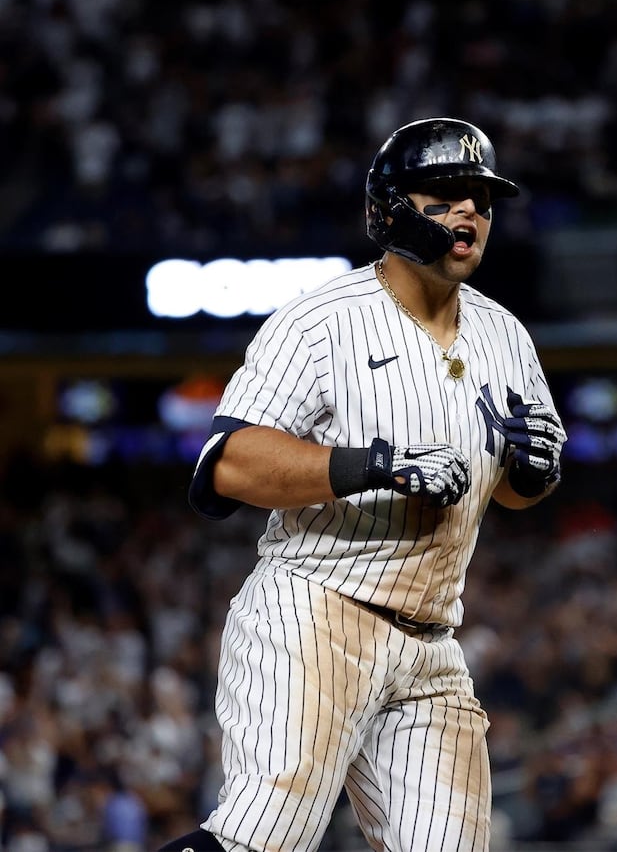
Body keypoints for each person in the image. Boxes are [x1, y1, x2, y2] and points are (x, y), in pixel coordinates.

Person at [157, 117, 567, 852]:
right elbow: (225, 465)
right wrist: (371, 464)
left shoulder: (506, 335)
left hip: (431, 640)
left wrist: (533, 475)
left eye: (480, 197)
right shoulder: (322, 321)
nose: (468, 211)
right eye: (443, 195)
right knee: (263, 840)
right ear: (391, 208)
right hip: (316, 610)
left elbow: (513, 491)